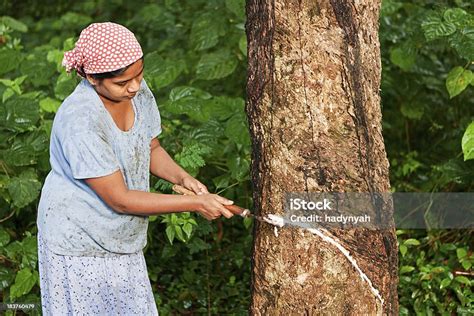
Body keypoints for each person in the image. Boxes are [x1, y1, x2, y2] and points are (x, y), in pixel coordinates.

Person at [36, 22, 234, 315]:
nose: (134, 86)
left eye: (138, 75)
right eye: (122, 82)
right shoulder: (81, 121)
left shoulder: (135, 91)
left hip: (120, 236)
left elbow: (149, 147)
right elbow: (121, 199)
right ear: (91, 77)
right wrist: (194, 203)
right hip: (77, 240)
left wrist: (183, 177)